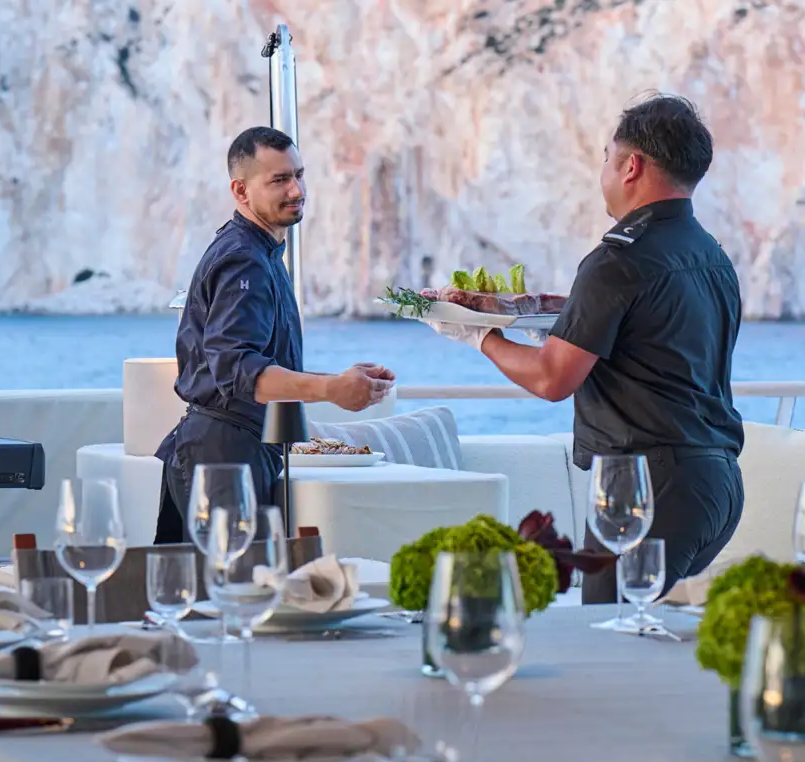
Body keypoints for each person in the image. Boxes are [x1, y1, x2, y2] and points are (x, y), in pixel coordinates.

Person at [425, 94, 744, 602]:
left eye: (606, 159)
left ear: (631, 166)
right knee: (644, 634)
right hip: (718, 482)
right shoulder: (712, 256)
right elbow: (651, 338)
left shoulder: (617, 260)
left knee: (608, 636)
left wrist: (478, 334)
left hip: (648, 487)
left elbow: (551, 379)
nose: (603, 173)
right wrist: (542, 315)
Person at [154, 127, 396, 544]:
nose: (296, 190)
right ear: (241, 191)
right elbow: (239, 371)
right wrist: (332, 389)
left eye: (299, 175)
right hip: (223, 457)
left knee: (234, 582)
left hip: (231, 451)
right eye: (279, 180)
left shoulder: (259, 252)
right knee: (237, 581)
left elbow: (257, 364)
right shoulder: (243, 261)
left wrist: (340, 379)